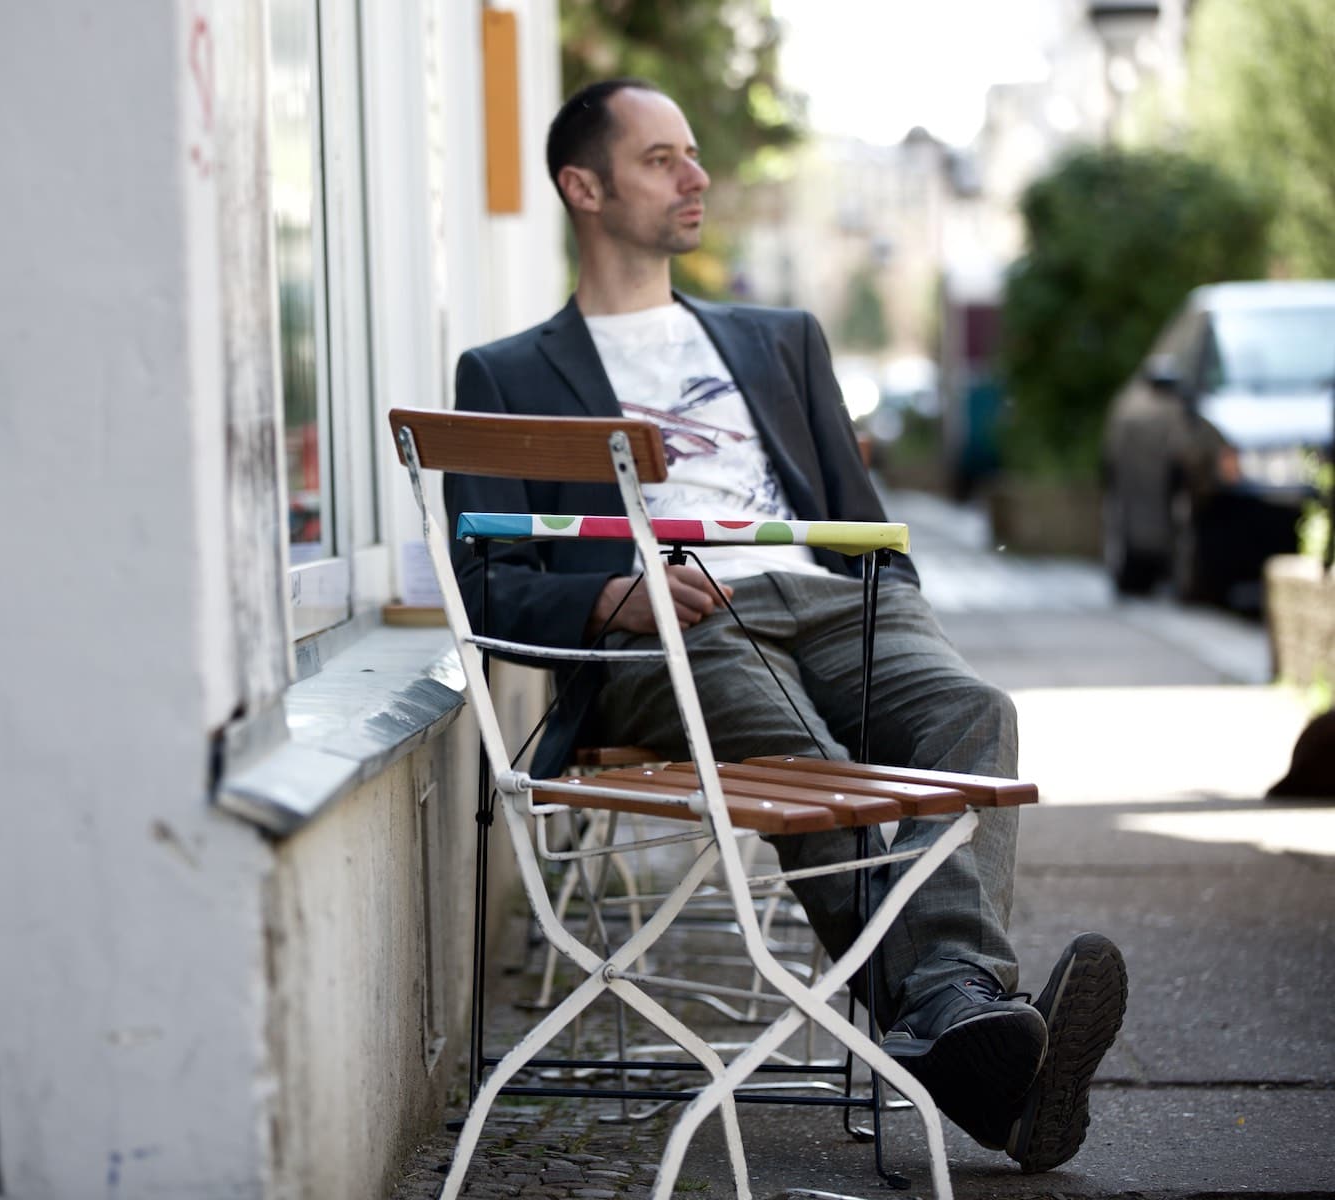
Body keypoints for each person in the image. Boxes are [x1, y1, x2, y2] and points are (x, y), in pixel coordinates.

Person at [444, 78, 1128, 1174]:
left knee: (971, 710)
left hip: (832, 596)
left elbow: (861, 520)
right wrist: (610, 595)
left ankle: (958, 1024)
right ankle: (969, 1020)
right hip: (662, 629)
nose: (696, 176)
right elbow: (485, 585)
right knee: (807, 765)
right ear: (583, 187)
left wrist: (891, 597)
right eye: (661, 158)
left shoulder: (780, 339)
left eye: (694, 153)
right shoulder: (510, 374)